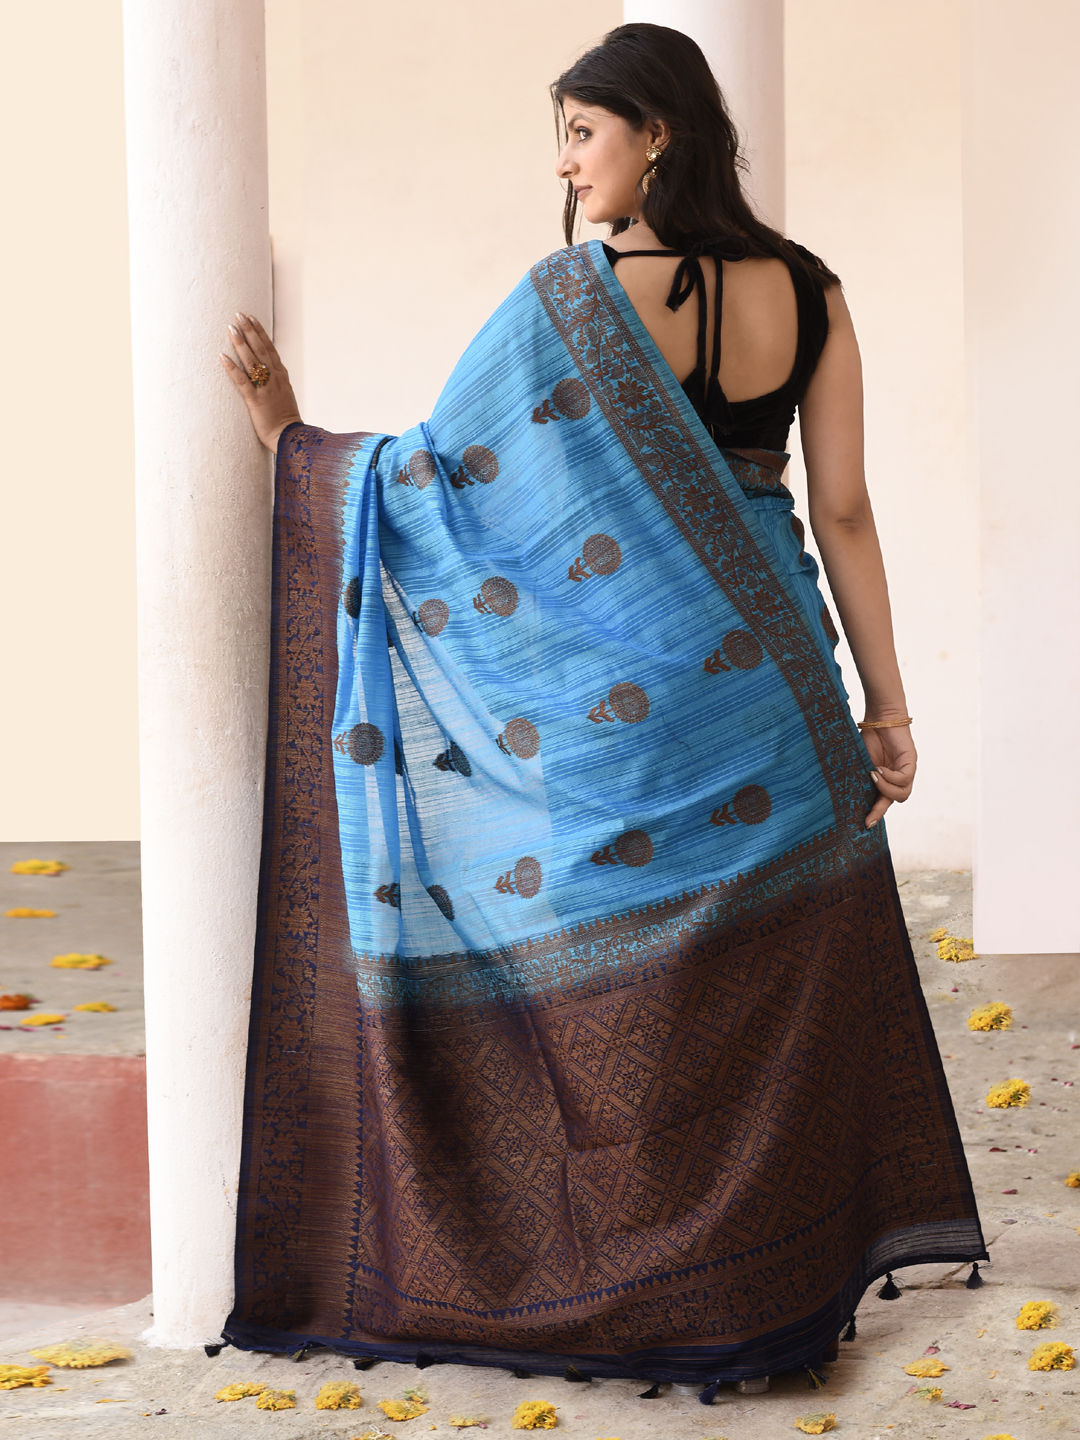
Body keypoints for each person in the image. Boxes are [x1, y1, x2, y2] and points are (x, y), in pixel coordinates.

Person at [218, 22, 986, 1403]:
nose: (568, 166)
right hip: (775, 698)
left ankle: (647, 1285)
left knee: (641, 986)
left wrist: (294, 443)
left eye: (583, 133)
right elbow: (846, 512)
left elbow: (440, 488)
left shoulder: (571, 300)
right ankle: (771, 1292)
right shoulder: (812, 292)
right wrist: (887, 708)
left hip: (627, 714)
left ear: (658, 132)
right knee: (760, 993)